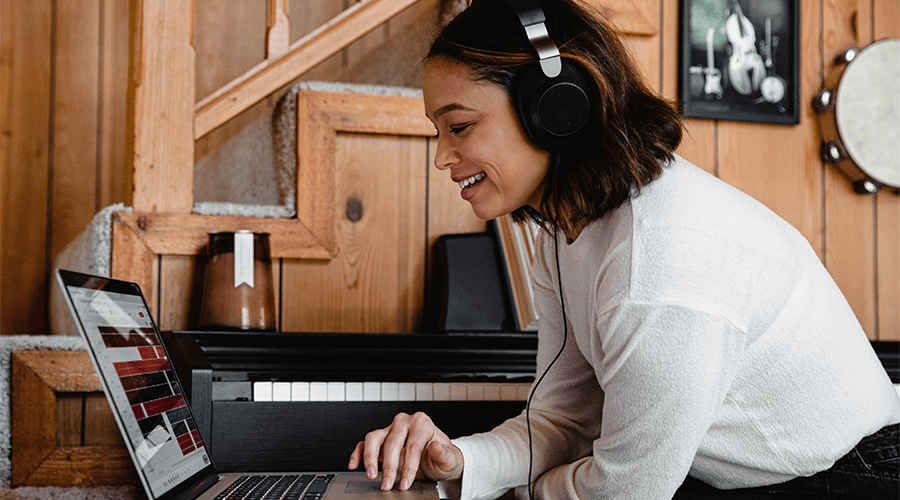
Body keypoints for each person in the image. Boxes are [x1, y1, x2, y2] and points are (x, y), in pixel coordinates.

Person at [347, 0, 900, 498]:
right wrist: (461, 462)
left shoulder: (660, 258)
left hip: (854, 477)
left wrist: (526, 492)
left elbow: (628, 490)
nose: (442, 158)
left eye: (460, 127)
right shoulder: (565, 233)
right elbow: (562, 422)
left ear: (557, 108)